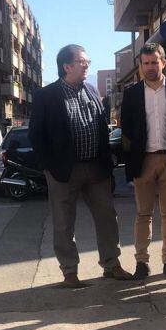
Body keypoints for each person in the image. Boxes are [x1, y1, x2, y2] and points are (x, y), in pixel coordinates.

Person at [29, 44, 133, 287]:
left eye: (87, 61)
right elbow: (36, 135)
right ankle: (69, 272)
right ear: (67, 66)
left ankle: (111, 265)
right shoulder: (47, 96)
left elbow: (100, 126)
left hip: (96, 169)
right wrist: (50, 166)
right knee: (64, 222)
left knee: (107, 217)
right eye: (82, 61)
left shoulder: (92, 90)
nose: (87, 65)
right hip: (64, 171)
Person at [118, 42, 166, 280]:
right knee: (143, 214)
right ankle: (142, 262)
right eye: (146, 63)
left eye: (154, 62)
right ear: (140, 65)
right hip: (144, 161)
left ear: (163, 62)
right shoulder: (131, 95)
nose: (150, 67)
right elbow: (126, 128)